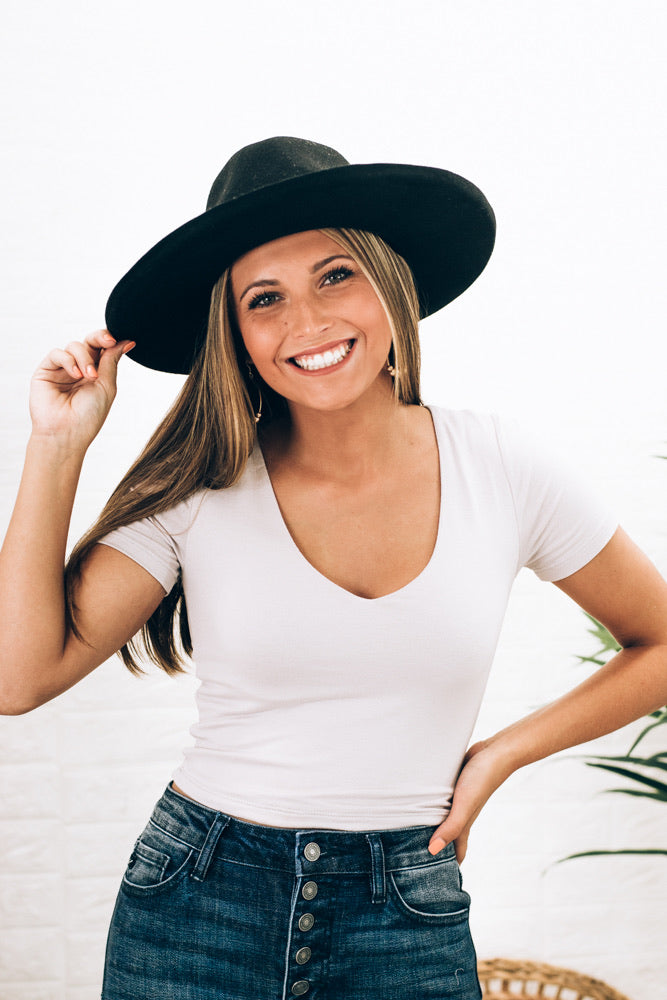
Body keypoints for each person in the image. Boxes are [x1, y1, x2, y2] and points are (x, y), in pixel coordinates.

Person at [1, 137, 666, 1000]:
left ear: (391, 286)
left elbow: (657, 641)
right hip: (200, 904)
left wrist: (499, 756)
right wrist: (57, 446)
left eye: (335, 276)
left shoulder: (501, 467)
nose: (306, 322)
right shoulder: (199, 487)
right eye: (264, 298)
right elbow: (17, 678)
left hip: (406, 909)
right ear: (235, 333)